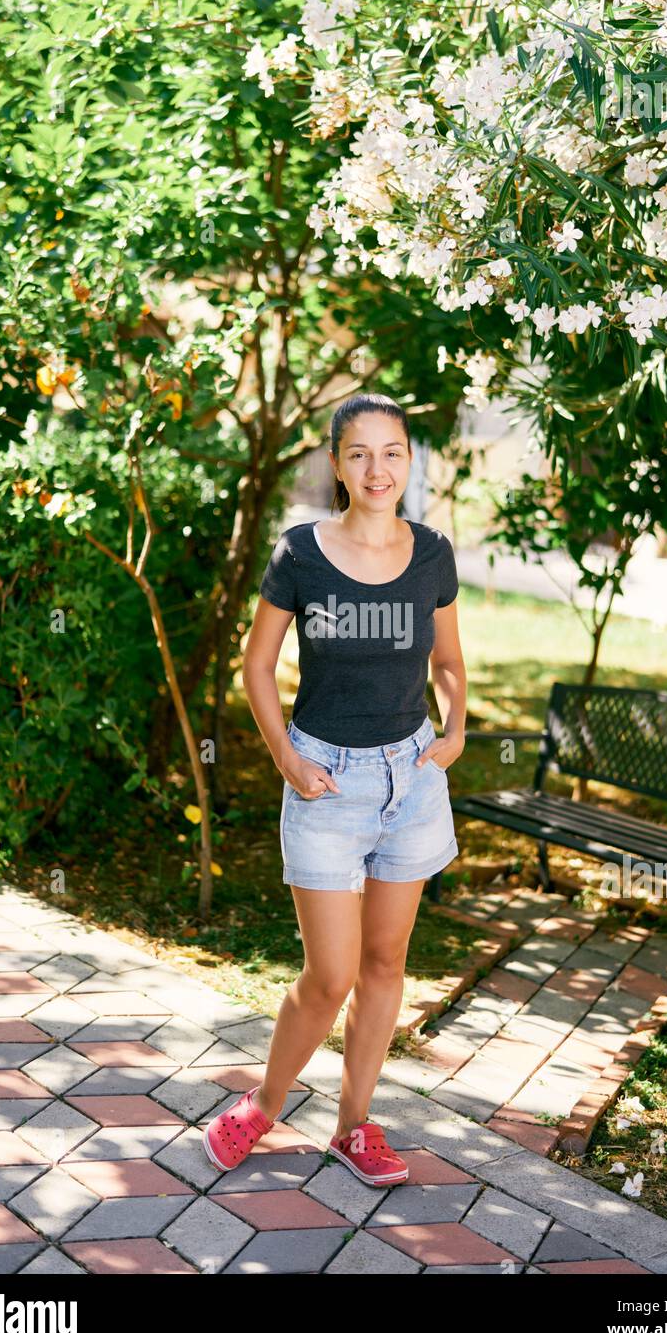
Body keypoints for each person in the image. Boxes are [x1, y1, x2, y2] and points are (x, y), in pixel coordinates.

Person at [203, 392, 467, 1187]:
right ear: (337, 464)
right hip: (326, 782)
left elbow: (449, 664)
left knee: (387, 963)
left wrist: (453, 731)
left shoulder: (433, 555)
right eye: (359, 454)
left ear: (409, 460)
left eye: (391, 452)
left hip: (413, 779)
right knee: (331, 974)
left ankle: (355, 1127)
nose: (376, 468)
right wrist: (283, 755)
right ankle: (264, 1103)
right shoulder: (301, 554)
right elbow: (256, 665)